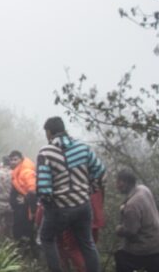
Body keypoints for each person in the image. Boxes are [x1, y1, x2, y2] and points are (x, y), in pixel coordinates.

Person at [36, 116, 105, 272]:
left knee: (46, 238)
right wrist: (90, 189)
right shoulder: (83, 147)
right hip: (83, 205)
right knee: (87, 243)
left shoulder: (46, 152)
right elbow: (100, 172)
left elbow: (44, 189)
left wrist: (49, 208)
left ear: (48, 132)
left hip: (60, 208)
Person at [114, 169, 159, 272]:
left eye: (119, 182)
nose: (117, 186)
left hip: (146, 247)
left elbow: (131, 231)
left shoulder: (131, 206)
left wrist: (119, 230)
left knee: (121, 257)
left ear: (126, 183)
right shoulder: (143, 189)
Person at [9, 150, 37, 252]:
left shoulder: (26, 171)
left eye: (15, 159)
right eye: (11, 160)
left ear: (21, 160)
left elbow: (33, 190)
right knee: (20, 230)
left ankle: (29, 253)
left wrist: (26, 200)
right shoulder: (16, 172)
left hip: (26, 209)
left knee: (27, 232)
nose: (12, 162)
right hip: (19, 209)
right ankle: (22, 251)